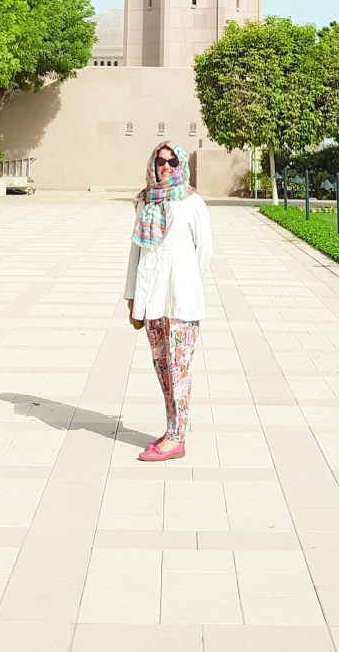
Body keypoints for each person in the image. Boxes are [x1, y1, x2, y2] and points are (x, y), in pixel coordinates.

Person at [125, 142, 213, 462]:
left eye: (173, 161)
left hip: (181, 303)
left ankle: (177, 438)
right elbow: (136, 253)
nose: (166, 166)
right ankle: (172, 428)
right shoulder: (145, 202)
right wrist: (133, 298)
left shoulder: (192, 203)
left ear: (181, 165)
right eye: (160, 161)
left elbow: (205, 252)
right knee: (163, 369)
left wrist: (188, 283)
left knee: (179, 369)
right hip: (153, 302)